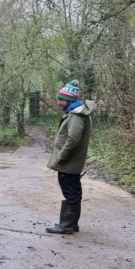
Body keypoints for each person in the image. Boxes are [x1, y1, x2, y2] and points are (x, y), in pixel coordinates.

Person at [46, 79, 96, 234]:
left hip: (69, 162)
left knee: (70, 191)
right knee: (73, 190)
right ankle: (71, 223)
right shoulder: (77, 113)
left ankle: (66, 225)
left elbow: (73, 139)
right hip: (72, 162)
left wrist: (61, 156)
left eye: (61, 100)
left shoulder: (76, 115)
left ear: (69, 101)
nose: (59, 103)